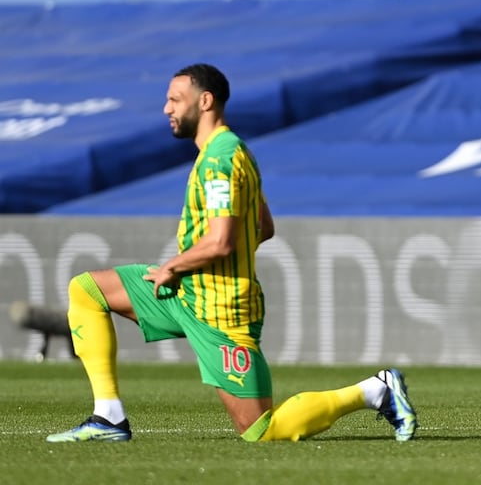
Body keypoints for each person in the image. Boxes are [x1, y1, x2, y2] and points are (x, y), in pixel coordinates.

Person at [46, 63, 417, 443]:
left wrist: (176, 265)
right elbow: (264, 226)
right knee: (87, 290)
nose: (166, 109)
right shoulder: (225, 152)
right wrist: (194, 267)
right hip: (188, 293)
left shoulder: (222, 157)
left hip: (222, 312)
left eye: (175, 99)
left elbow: (222, 240)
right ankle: (108, 418)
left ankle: (375, 390)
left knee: (261, 431)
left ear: (205, 101)